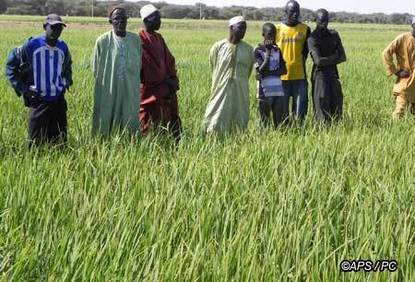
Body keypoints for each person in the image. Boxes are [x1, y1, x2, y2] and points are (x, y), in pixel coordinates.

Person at [5, 14, 72, 147]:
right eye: (52, 27)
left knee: (59, 143)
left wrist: (65, 83)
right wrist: (24, 90)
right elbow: (10, 67)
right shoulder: (31, 45)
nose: (56, 31)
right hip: (39, 101)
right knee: (35, 144)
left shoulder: (63, 47)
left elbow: (68, 67)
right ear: (44, 27)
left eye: (59, 27)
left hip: (58, 101)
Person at [92, 7, 141, 137]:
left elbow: (139, 65)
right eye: (116, 19)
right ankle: (102, 143)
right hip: (109, 88)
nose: (120, 22)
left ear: (127, 21)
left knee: (129, 114)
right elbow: (96, 68)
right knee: (106, 114)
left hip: (129, 88)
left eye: (123, 19)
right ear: (110, 22)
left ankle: (130, 143)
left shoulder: (135, 40)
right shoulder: (102, 41)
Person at [202, 16, 254, 134]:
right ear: (231, 28)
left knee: (239, 113)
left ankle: (238, 137)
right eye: (240, 28)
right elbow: (213, 66)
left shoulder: (249, 49)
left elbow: (249, 70)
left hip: (240, 88)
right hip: (220, 87)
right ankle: (211, 135)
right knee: (216, 112)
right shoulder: (218, 47)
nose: (243, 31)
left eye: (245, 28)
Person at [139, 4, 182, 141]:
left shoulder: (159, 38)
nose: (159, 21)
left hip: (163, 88)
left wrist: (172, 77)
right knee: (148, 125)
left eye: (159, 17)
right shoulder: (140, 39)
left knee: (167, 121)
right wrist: (163, 81)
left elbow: (169, 60)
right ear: (146, 21)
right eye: (156, 18)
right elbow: (145, 67)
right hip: (150, 92)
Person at [308, 9, 346, 122]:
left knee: (337, 105)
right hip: (320, 77)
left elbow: (343, 57)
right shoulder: (312, 38)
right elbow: (318, 61)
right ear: (316, 20)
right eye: (321, 21)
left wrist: (327, 60)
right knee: (321, 108)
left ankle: (336, 133)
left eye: (325, 21)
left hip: (333, 75)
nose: (323, 23)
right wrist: (334, 57)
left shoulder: (334, 34)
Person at [276, 0, 311, 123]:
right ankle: (285, 131)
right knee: (282, 110)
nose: (296, 14)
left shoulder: (305, 29)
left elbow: (306, 51)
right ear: (286, 12)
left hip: (300, 76)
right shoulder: (278, 29)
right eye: (292, 11)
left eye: (297, 11)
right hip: (282, 77)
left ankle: (299, 131)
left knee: (300, 110)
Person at [255, 23, 288, 128]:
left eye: (274, 34)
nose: (272, 37)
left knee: (279, 123)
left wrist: (268, 73)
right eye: (269, 34)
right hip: (264, 93)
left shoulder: (277, 50)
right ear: (263, 34)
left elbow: (284, 70)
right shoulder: (258, 50)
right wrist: (268, 53)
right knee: (264, 123)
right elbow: (260, 70)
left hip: (278, 91)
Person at [383, 17, 415, 119]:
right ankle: (393, 132)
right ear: (412, 25)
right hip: (405, 82)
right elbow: (386, 53)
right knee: (399, 112)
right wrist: (396, 71)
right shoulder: (403, 38)